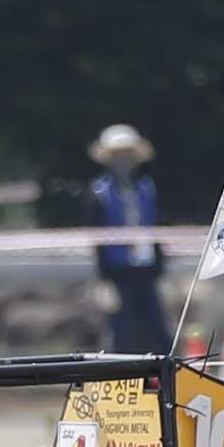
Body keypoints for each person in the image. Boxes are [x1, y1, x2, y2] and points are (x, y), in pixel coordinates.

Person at [87, 123, 165, 354]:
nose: (123, 162)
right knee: (121, 330)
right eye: (118, 156)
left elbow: (157, 227)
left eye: (127, 156)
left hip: (146, 269)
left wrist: (159, 265)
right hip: (117, 271)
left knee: (156, 327)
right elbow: (96, 237)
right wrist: (104, 276)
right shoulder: (98, 192)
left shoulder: (146, 188)